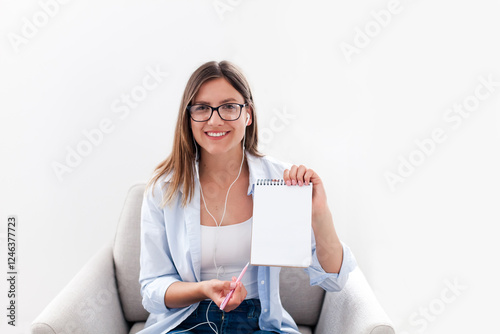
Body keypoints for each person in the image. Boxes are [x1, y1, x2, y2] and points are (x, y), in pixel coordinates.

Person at [138, 60, 357, 334]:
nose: (215, 119)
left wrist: (320, 214)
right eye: (202, 108)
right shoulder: (164, 188)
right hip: (185, 321)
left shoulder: (282, 181)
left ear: (248, 114)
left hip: (259, 324)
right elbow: (152, 288)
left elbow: (334, 281)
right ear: (189, 117)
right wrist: (204, 289)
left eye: (229, 107)